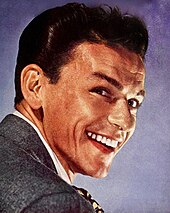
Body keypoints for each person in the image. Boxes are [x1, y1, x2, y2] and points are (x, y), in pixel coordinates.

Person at [0, 2, 148, 212]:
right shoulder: (57, 204)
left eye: (133, 103)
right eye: (101, 91)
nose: (124, 121)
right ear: (35, 87)